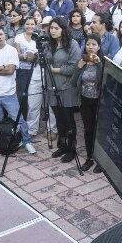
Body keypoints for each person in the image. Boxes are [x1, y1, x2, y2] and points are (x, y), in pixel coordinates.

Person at [0, 26, 36, 154]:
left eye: (1, 34)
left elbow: (10, 71)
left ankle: (26, 141)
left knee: (19, 120)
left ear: (5, 35)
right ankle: (3, 143)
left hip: (9, 94)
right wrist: (3, 67)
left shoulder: (12, 51)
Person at [44, 17, 81, 162]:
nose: (52, 31)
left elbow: (75, 67)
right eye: (51, 28)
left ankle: (72, 149)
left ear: (63, 29)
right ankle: (63, 144)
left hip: (66, 87)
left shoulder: (72, 45)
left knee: (68, 119)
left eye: (56, 28)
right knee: (58, 118)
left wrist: (57, 70)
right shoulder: (48, 44)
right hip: (51, 86)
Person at [76, 33, 104, 172]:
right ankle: (89, 158)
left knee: (99, 131)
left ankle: (101, 160)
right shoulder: (83, 60)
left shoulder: (103, 61)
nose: (91, 47)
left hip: (99, 102)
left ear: (99, 46)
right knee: (88, 130)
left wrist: (99, 63)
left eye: (94, 44)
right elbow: (74, 81)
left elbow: (103, 79)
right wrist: (79, 67)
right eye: (88, 44)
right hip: (85, 100)